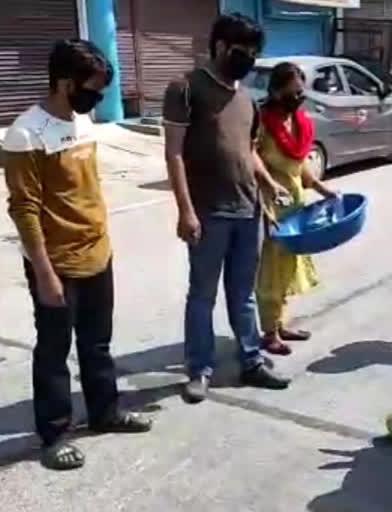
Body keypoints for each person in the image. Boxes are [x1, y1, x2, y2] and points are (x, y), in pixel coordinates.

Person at [3, 40, 152, 471]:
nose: (97, 97)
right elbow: (24, 210)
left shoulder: (82, 120)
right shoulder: (26, 133)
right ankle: (54, 433)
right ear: (64, 82)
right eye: (91, 88)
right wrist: (44, 272)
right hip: (57, 263)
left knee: (97, 343)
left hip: (97, 255)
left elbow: (84, 189)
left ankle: (105, 412)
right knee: (53, 351)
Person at [163, 13, 291, 403]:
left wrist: (269, 186)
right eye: (243, 50)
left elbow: (248, 151)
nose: (249, 58)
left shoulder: (246, 100)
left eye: (254, 52)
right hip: (209, 212)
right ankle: (199, 370)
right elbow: (174, 153)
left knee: (243, 293)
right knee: (202, 294)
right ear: (219, 46)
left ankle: (251, 361)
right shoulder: (185, 88)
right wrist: (186, 210)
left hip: (247, 210)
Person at [255, 63, 339, 356]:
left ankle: (281, 324)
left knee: (289, 268)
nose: (297, 97)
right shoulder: (263, 123)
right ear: (276, 91)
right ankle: (269, 332)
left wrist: (322, 189)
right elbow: (252, 161)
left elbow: (300, 168)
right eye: (291, 92)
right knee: (271, 272)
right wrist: (266, 197)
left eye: (300, 92)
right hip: (270, 207)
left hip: (295, 205)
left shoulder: (300, 122)